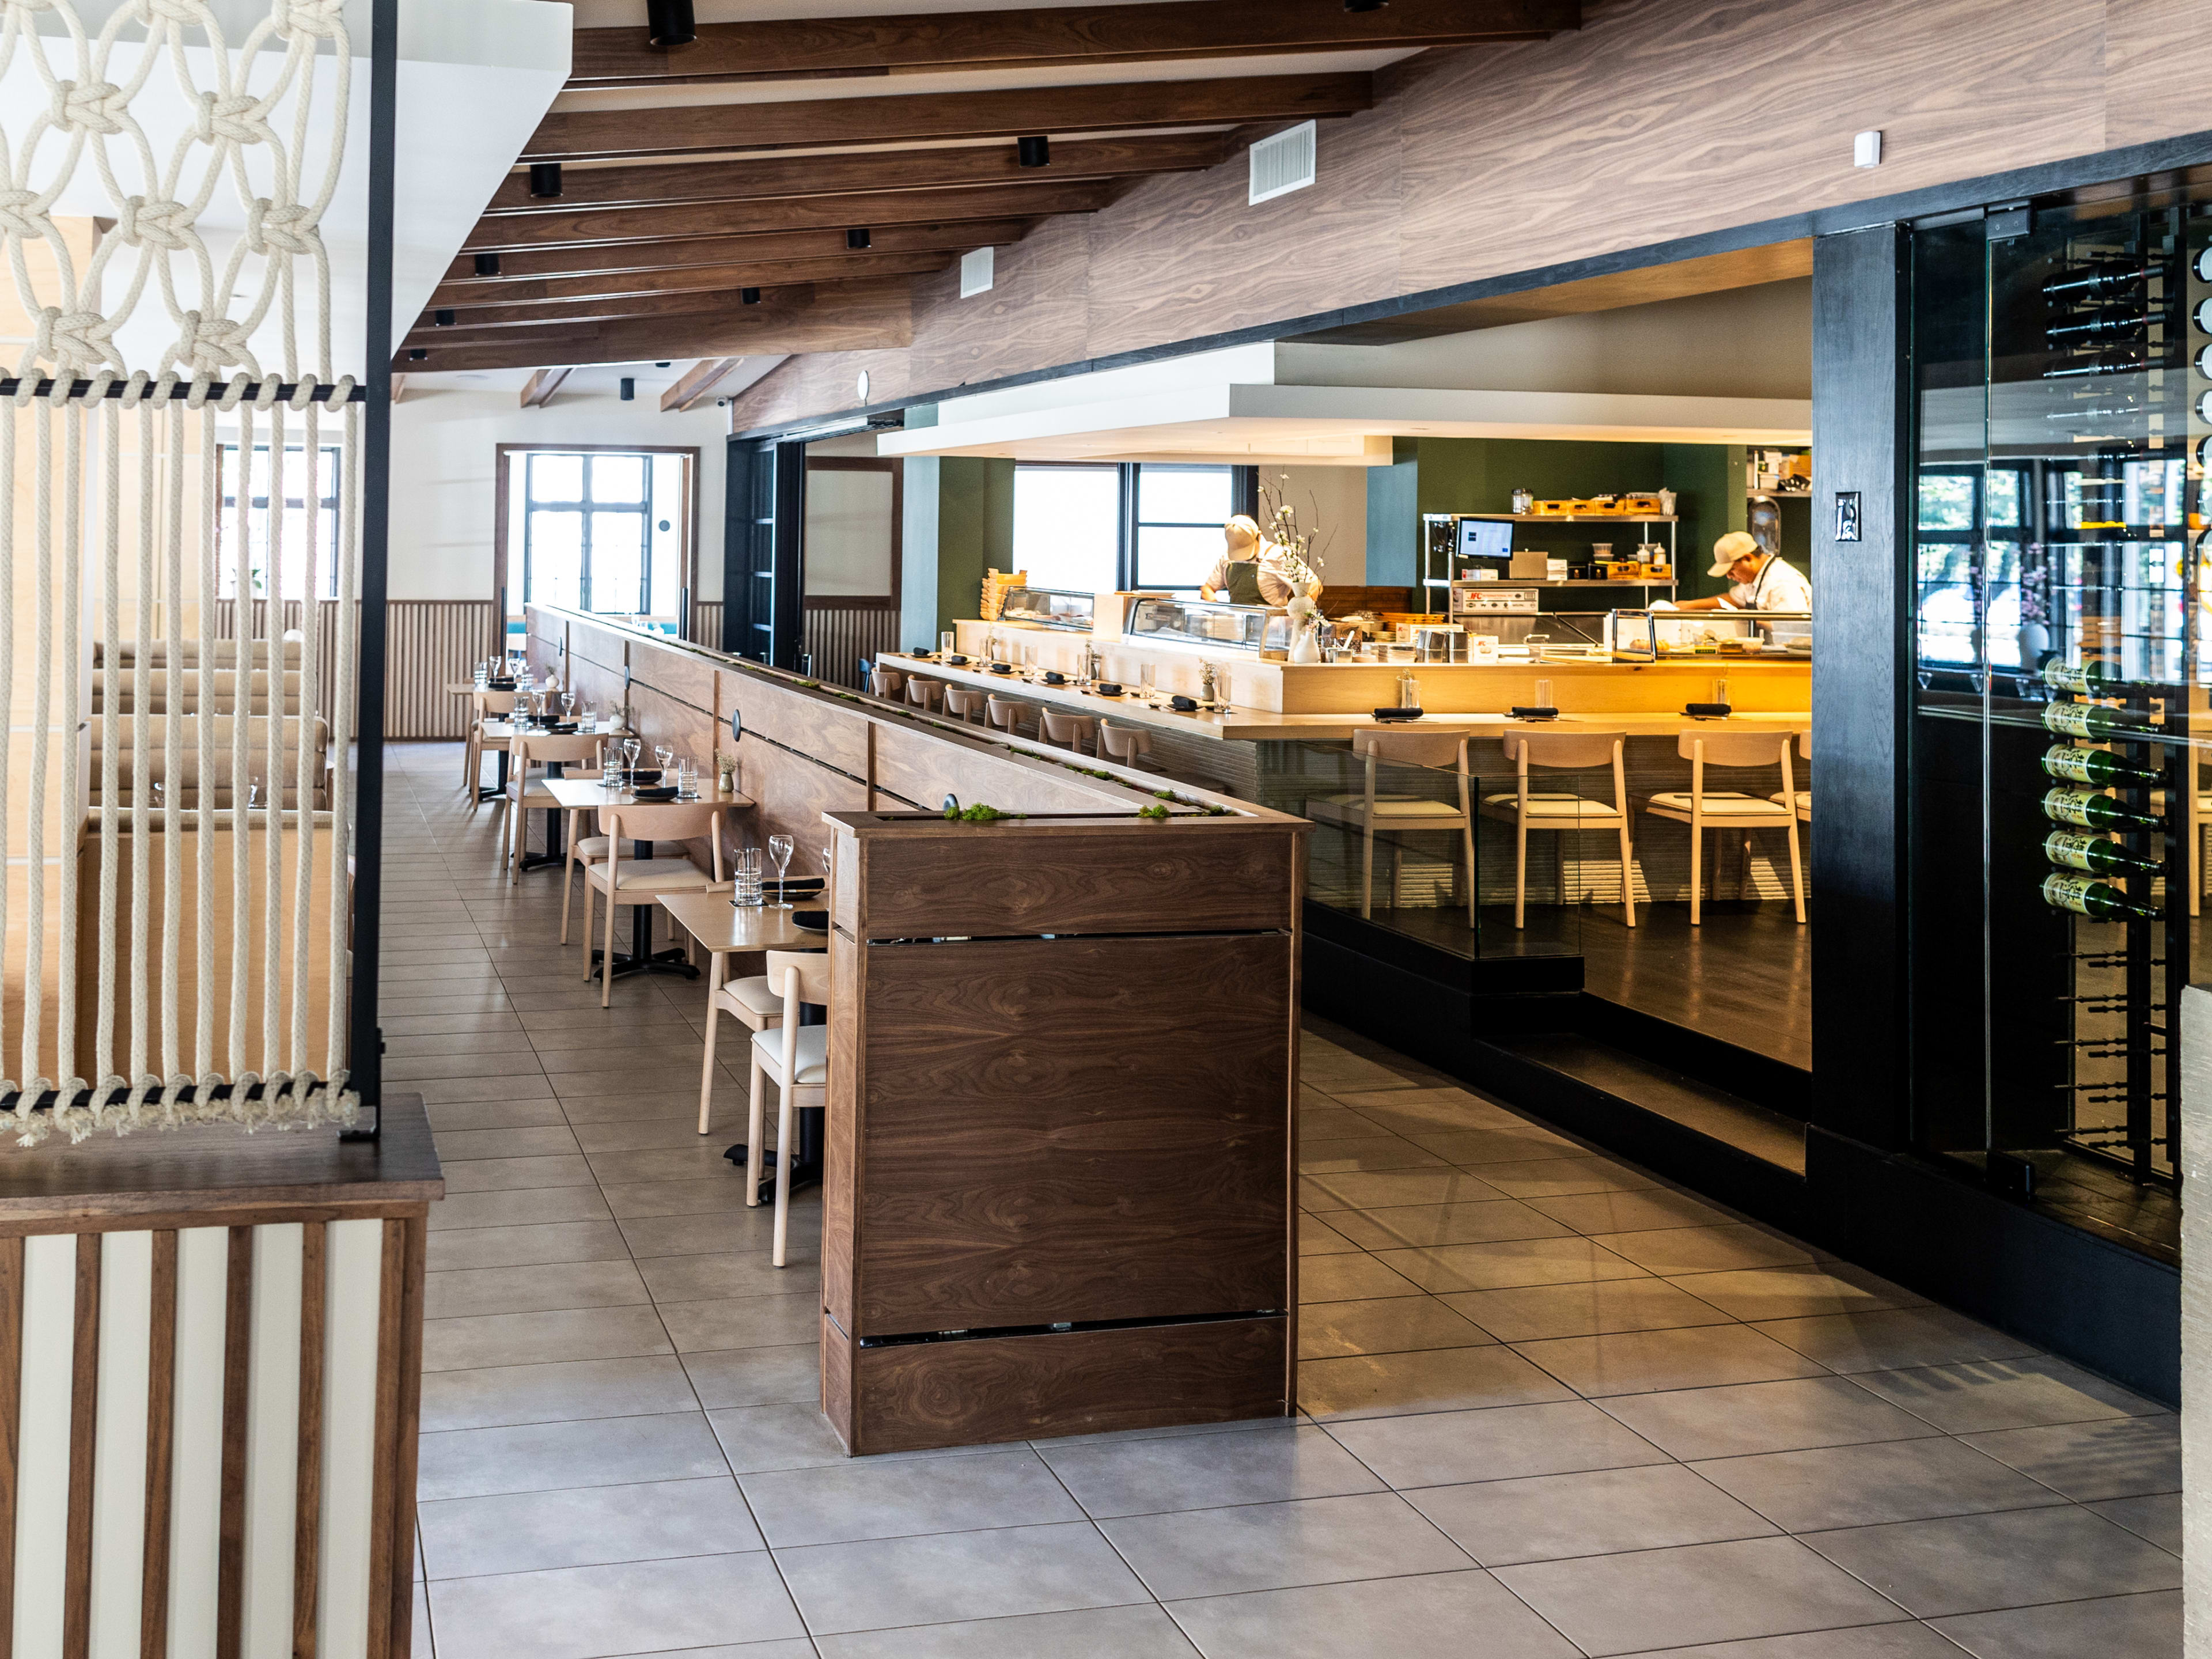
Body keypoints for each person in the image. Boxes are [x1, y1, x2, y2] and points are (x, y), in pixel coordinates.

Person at [1666, 530, 1811, 613]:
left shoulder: (1782, 582)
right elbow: (1734, 599)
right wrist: (1689, 605)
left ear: (1747, 558)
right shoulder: (1753, 578)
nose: (1729, 577)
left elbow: (1794, 626)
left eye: (1732, 570)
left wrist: (1749, 618)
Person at [1200, 515, 1323, 607]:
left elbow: (1315, 585)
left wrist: (1296, 613)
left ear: (1259, 536)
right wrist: (1219, 610)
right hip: (1238, 628)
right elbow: (1207, 589)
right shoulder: (1227, 559)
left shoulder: (1279, 555)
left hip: (1274, 631)